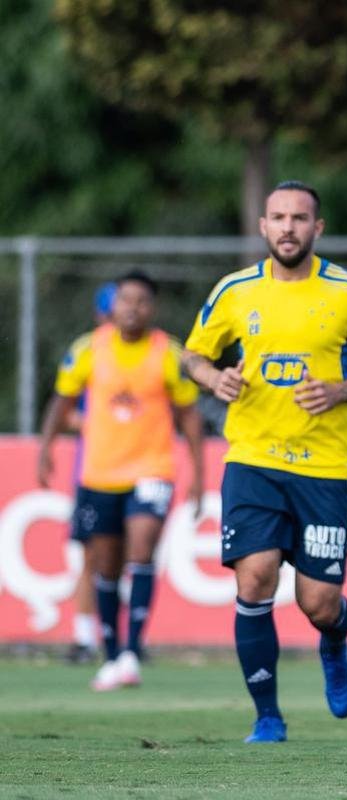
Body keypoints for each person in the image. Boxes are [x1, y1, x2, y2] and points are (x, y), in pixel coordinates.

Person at [182, 180, 347, 744]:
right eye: (277, 217)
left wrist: (341, 390)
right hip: (253, 458)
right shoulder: (235, 291)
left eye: (299, 218)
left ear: (317, 228)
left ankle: (335, 644)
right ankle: (268, 717)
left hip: (325, 466)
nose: (288, 228)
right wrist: (213, 377)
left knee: (318, 603)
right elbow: (192, 355)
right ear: (263, 226)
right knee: (254, 579)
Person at [38, 271, 205, 690]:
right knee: (106, 565)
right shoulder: (88, 349)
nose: (133, 307)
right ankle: (112, 656)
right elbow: (61, 402)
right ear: (112, 307)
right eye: (125, 300)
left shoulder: (169, 353)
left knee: (142, 548)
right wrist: (45, 450)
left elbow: (188, 415)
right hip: (99, 474)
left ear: (154, 308)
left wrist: (200, 474)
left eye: (142, 301)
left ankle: (132, 649)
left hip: (151, 471)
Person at [62, 281, 118, 665]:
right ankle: (84, 637)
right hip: (94, 469)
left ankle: (125, 638)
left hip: (138, 469)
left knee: (131, 558)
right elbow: (65, 410)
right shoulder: (88, 352)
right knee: (90, 557)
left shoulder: (153, 352)